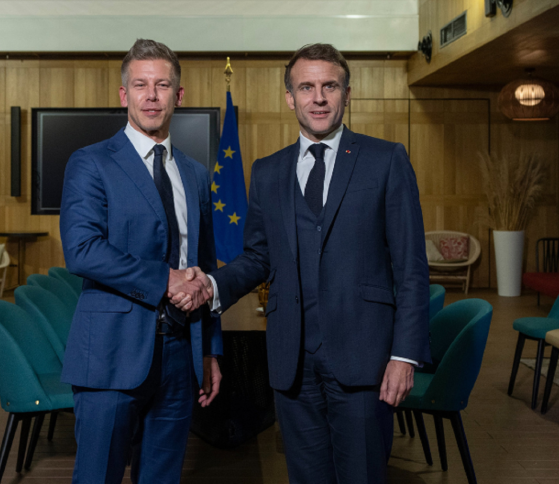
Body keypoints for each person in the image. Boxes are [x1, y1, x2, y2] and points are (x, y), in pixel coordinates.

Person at [176, 43, 430, 483]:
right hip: (292, 363)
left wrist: (404, 356)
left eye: (329, 86)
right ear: (290, 97)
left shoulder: (385, 160)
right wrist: (211, 286)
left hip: (364, 360)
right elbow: (258, 256)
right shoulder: (267, 171)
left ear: (347, 93)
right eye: (306, 87)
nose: (319, 98)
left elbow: (411, 269)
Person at [59, 38, 222, 484]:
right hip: (111, 354)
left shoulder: (194, 173)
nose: (151, 96)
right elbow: (82, 249)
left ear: (178, 95)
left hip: (180, 354)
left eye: (162, 85)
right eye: (140, 85)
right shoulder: (90, 163)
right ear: (123, 94)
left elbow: (205, 269)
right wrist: (166, 279)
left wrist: (210, 350)